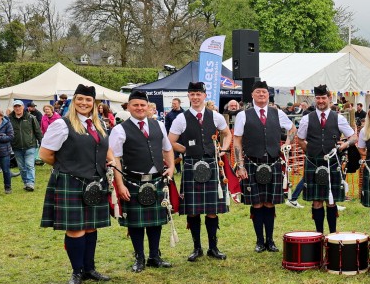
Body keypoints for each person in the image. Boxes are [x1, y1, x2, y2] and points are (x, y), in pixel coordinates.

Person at [39, 84, 115, 284]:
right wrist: (67, 167)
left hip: (95, 183)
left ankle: (90, 269)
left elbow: (105, 150)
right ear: (74, 101)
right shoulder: (62, 124)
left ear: (94, 103)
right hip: (70, 181)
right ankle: (77, 271)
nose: (84, 103)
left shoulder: (98, 125)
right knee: (75, 230)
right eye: (80, 99)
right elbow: (45, 154)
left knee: (91, 227)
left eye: (88, 100)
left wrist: (112, 163)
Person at [108, 90, 175, 272]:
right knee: (135, 223)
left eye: (142, 105)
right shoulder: (119, 130)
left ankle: (155, 256)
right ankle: (139, 258)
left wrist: (171, 167)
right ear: (128, 107)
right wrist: (120, 185)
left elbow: (167, 148)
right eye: (135, 105)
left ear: (148, 107)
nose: (139, 108)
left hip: (156, 179)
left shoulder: (158, 125)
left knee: (156, 221)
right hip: (133, 180)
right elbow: (115, 160)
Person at [168, 82, 232, 262]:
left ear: (204, 96)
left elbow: (227, 134)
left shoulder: (216, 116)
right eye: (192, 94)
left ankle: (213, 247)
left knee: (212, 210)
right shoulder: (181, 118)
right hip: (191, 165)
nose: (195, 97)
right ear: (188, 97)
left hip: (212, 163)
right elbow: (170, 140)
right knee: (193, 211)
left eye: (199, 94)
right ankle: (197, 248)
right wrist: (185, 150)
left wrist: (224, 150)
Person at [233, 81, 294, 253]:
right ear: (252, 95)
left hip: (273, 162)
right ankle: (259, 241)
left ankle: (270, 240)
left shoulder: (277, 113)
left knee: (269, 203)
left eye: (264, 92)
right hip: (252, 163)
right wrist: (240, 165)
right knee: (257, 203)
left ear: (268, 95)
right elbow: (237, 140)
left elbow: (292, 129)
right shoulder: (243, 115)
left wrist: (287, 143)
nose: (261, 95)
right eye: (258, 92)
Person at [296, 85, 357, 234]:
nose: (321, 101)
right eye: (318, 98)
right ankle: (319, 234)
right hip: (313, 162)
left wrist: (344, 145)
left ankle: (332, 234)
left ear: (329, 98)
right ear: (315, 99)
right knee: (317, 201)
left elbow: (354, 137)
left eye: (324, 98)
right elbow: (300, 139)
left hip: (332, 162)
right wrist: (310, 153)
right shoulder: (306, 119)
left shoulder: (339, 118)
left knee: (331, 201)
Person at [9, 100, 43, 192]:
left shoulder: (31, 117)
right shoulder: (9, 119)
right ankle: (25, 183)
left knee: (29, 165)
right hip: (16, 147)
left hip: (30, 146)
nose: (17, 108)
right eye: (15, 106)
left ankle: (30, 183)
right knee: (21, 167)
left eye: (19, 106)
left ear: (23, 107)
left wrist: (42, 143)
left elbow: (38, 131)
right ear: (13, 108)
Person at [0, 108, 14, 194]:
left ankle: (8, 187)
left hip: (4, 151)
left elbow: (11, 137)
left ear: (1, 116)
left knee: (6, 170)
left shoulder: (7, 124)